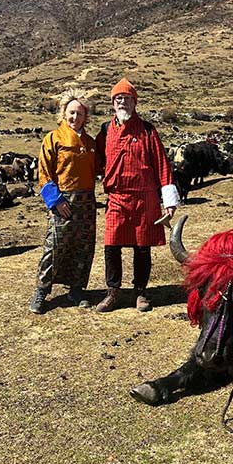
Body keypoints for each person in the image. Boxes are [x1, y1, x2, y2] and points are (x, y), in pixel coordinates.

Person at [94, 78, 180, 312]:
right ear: (113, 103)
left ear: (135, 102)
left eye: (127, 98)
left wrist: (169, 202)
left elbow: (162, 165)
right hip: (117, 197)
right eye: (118, 98)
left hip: (144, 197)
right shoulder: (105, 130)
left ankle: (141, 293)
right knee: (111, 245)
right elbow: (96, 161)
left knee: (142, 247)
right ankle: (113, 292)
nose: (122, 102)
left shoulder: (147, 130)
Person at [29, 87, 97, 314]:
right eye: (71, 113)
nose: (75, 117)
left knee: (84, 247)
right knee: (54, 246)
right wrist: (56, 201)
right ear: (63, 113)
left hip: (87, 202)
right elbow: (44, 172)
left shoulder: (91, 142)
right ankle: (41, 290)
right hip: (63, 201)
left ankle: (77, 289)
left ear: (86, 116)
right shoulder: (53, 139)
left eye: (80, 113)